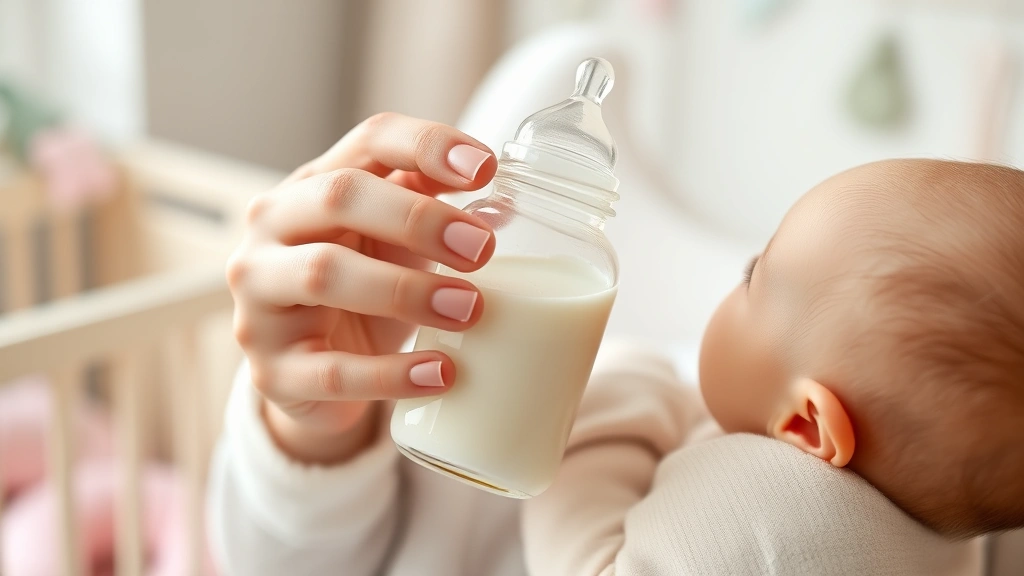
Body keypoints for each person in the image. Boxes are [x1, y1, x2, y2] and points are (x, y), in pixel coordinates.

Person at [209, 114, 1022, 575]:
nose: (725, 292)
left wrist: (621, 394)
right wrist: (312, 431)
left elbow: (586, 560)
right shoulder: (941, 540)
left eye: (753, 274)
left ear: (807, 428)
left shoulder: (772, 508)